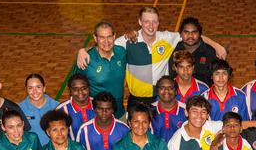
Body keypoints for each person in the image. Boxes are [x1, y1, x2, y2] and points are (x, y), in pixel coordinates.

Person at [77, 7, 226, 111]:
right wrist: (83, 50)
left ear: (159, 22)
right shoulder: (127, 41)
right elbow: (104, 44)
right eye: (147, 21)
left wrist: (216, 45)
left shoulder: (167, 38)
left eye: (154, 21)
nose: (151, 25)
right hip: (136, 100)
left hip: (160, 99)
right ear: (140, 22)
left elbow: (191, 36)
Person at [82, 21, 126, 118]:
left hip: (120, 114)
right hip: (97, 117)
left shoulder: (121, 52)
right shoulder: (86, 59)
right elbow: (76, 87)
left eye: (109, 36)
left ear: (114, 36)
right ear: (95, 38)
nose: (106, 41)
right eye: (102, 37)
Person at [168, 17, 219, 86]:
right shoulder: (174, 51)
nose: (190, 36)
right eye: (186, 32)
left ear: (200, 33)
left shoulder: (209, 51)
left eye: (194, 32)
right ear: (180, 34)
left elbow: (216, 77)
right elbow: (172, 76)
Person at [19, 73, 59, 146]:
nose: (35, 91)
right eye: (30, 88)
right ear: (26, 90)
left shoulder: (57, 107)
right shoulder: (19, 109)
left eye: (38, 87)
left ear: (44, 88)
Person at [57, 74, 95, 140]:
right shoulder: (61, 111)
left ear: (89, 88)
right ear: (70, 91)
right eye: (75, 89)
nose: (80, 92)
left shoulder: (99, 105)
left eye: (84, 88)